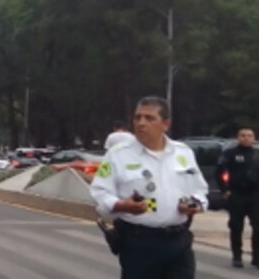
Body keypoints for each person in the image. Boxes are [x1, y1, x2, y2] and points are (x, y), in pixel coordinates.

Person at [89, 96, 208, 279]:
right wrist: (121, 205)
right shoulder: (119, 154)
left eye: (149, 118)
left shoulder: (183, 152)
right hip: (139, 243)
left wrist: (196, 204)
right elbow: (100, 192)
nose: (141, 123)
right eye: (138, 117)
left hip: (179, 242)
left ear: (165, 124)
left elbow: (200, 191)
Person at [216, 127, 259, 270]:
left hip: (255, 195)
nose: (246, 138)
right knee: (236, 227)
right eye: (243, 135)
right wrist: (224, 190)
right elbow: (219, 172)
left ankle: (257, 258)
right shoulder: (230, 154)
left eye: (249, 135)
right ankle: (237, 256)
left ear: (254, 138)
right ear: (238, 138)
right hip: (236, 195)